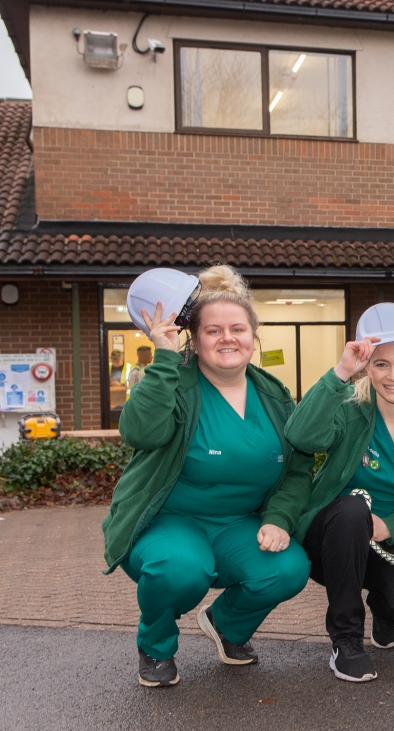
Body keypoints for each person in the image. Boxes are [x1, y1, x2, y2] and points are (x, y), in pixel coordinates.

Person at [101, 265, 313, 688]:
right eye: (213, 331)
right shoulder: (173, 382)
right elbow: (139, 432)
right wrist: (162, 357)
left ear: (253, 336)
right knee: (179, 568)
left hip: (237, 524)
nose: (227, 338)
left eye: (237, 328)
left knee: (289, 568)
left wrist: (279, 518)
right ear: (194, 340)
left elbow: (297, 468)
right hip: (170, 522)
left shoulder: (274, 395)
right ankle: (156, 645)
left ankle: (227, 627)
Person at [283, 303, 394, 683]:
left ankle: (384, 607)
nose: (393, 375)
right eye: (381, 363)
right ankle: (346, 640)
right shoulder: (349, 410)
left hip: (392, 540)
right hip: (333, 539)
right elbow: (300, 436)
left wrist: (391, 525)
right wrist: (340, 373)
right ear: (367, 367)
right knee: (352, 510)